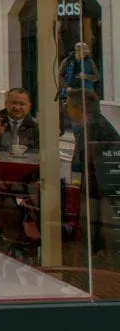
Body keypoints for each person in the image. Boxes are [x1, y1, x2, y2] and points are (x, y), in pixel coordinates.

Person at [67, 88, 120, 259]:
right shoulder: (95, 122)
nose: (66, 110)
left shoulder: (89, 125)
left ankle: (97, 255)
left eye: (68, 106)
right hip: (102, 183)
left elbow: (79, 163)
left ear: (80, 107)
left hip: (101, 184)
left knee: (95, 222)